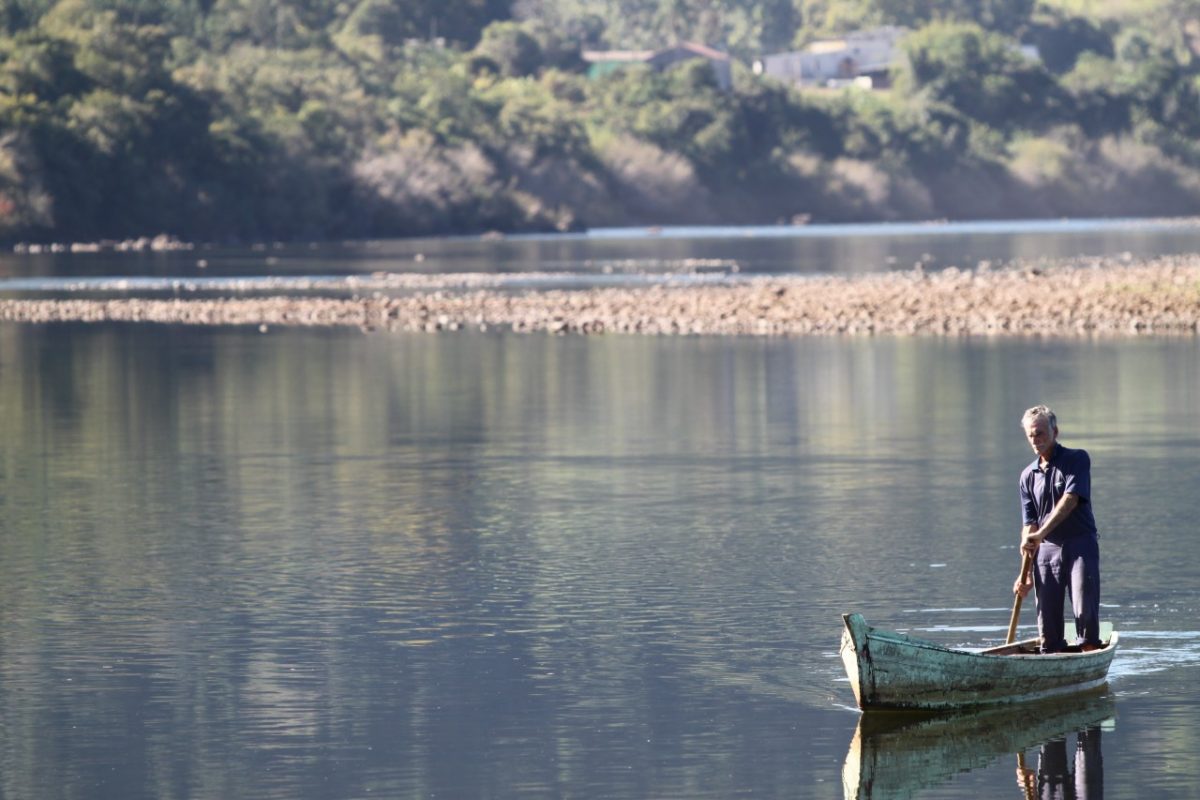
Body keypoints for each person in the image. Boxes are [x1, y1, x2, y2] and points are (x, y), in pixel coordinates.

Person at [1012, 405, 1102, 653]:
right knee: (1047, 622)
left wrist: (1040, 533)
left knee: (1084, 609)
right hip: (1046, 550)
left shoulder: (1077, 459)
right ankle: (1052, 655)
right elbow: (1029, 524)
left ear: (1055, 432)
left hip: (1080, 544)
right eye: (1031, 435)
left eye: (1040, 433)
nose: (1036, 440)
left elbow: (1070, 500)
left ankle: (1089, 650)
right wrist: (1025, 573)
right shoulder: (1027, 476)